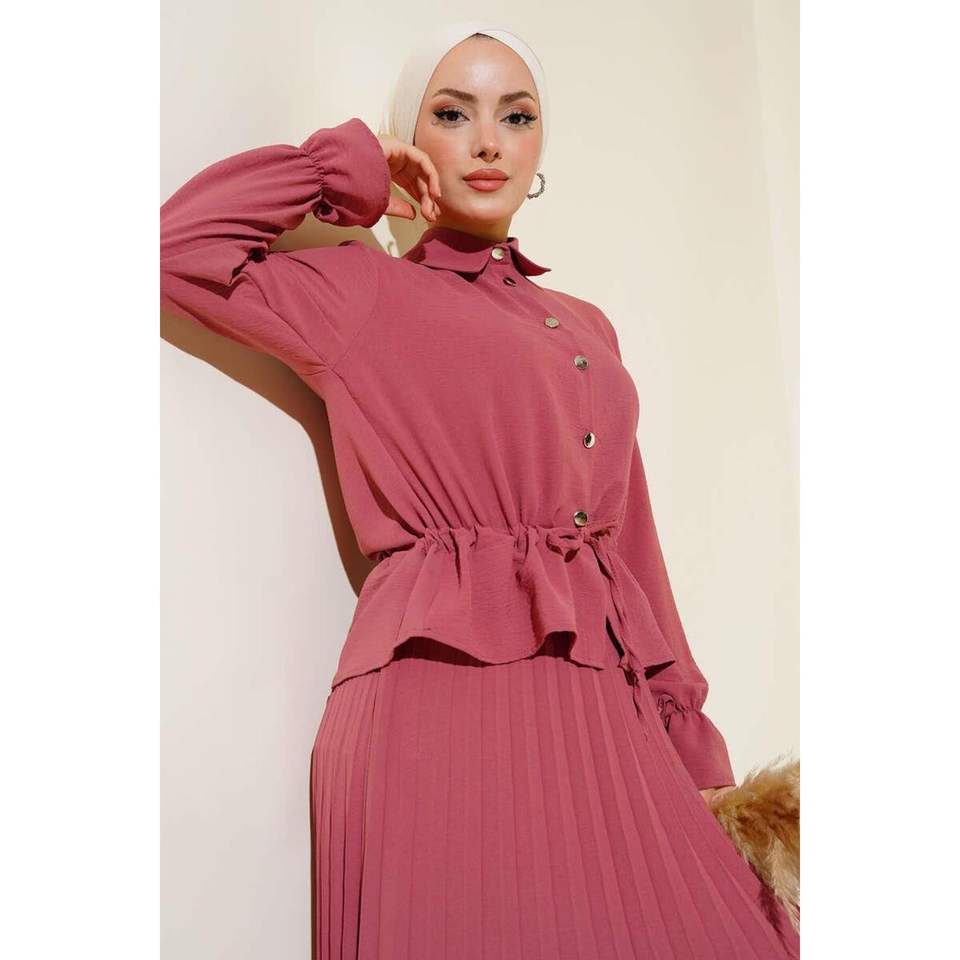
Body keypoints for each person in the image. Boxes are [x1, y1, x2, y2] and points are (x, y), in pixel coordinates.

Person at [160, 19, 800, 960]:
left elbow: (628, 548)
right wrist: (344, 168)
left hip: (597, 700)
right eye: (453, 114)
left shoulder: (586, 326)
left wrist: (687, 735)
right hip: (435, 703)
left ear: (541, 145)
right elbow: (176, 248)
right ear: (413, 136)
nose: (489, 142)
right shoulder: (362, 292)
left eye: (517, 115)